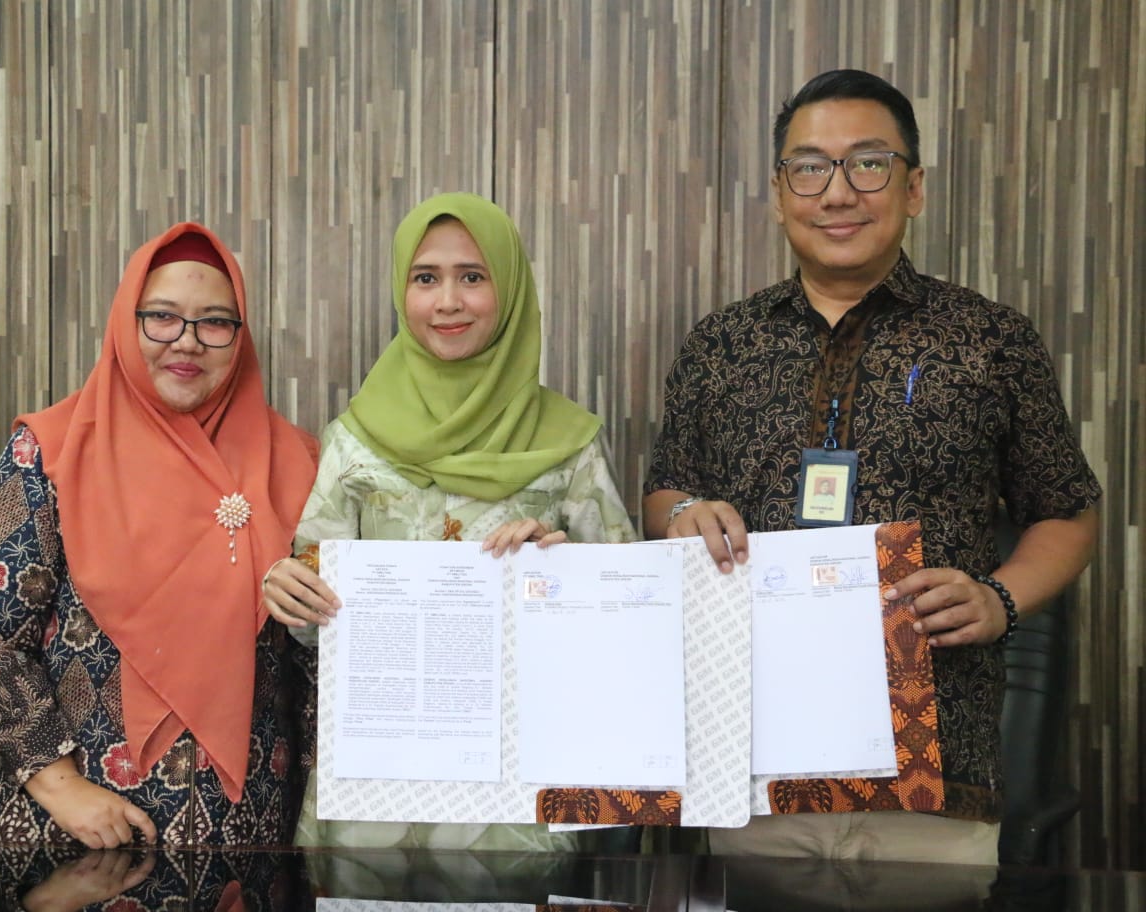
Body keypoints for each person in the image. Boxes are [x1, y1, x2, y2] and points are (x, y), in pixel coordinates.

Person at [644, 70, 1100, 866]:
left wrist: (1000, 599)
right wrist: (684, 513)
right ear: (779, 193)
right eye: (809, 167)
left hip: (933, 769)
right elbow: (666, 492)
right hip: (748, 764)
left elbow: (1067, 508)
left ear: (913, 187)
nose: (837, 192)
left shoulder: (991, 339)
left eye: (868, 163)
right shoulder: (720, 344)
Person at [261, 192, 637, 854]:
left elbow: (630, 618)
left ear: (509, 290)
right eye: (426, 278)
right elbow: (314, 626)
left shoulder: (569, 443)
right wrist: (291, 591)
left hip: (524, 800)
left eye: (473, 276)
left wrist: (562, 570)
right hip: (379, 800)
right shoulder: (355, 441)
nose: (448, 302)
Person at [0, 223, 320, 848]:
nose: (187, 341)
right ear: (127, 322)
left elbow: (318, 663)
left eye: (215, 322)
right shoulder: (52, 451)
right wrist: (63, 789)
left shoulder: (297, 461)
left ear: (240, 335)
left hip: (248, 838)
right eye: (162, 317)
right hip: (72, 839)